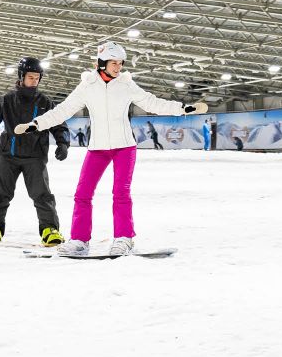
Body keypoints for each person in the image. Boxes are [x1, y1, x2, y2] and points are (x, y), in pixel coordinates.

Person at [14, 41, 206, 256]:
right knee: (83, 193)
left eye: (120, 63)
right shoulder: (87, 86)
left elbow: (152, 102)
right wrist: (36, 124)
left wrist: (182, 109)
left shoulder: (125, 84)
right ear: (101, 63)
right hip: (97, 148)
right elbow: (63, 110)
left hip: (124, 146)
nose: (118, 67)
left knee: (121, 193)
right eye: (113, 63)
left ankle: (124, 238)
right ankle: (79, 240)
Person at [0, 57, 69, 246]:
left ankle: (50, 230)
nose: (34, 81)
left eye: (37, 78)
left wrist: (63, 143)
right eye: (30, 77)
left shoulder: (44, 102)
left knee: (42, 194)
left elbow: (58, 123)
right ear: (21, 77)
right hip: (8, 155)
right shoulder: (6, 100)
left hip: (35, 156)